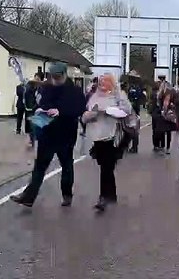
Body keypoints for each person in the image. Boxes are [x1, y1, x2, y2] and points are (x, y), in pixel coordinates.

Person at [10, 62, 86, 207]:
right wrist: (40, 111)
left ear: (64, 75)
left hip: (66, 134)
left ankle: (67, 195)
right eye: (53, 77)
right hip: (48, 133)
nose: (55, 80)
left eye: (58, 77)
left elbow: (79, 109)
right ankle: (28, 197)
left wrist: (61, 112)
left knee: (67, 165)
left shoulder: (75, 91)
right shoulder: (47, 88)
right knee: (39, 166)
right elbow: (42, 103)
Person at [82, 74, 132, 211]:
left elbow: (127, 111)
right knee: (106, 167)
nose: (102, 84)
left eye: (106, 81)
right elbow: (86, 113)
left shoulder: (119, 95)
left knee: (106, 167)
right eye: (101, 81)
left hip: (113, 136)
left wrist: (108, 110)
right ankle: (111, 195)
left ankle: (103, 197)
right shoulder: (94, 96)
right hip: (97, 137)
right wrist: (88, 116)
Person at [23, 72, 44, 148]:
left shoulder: (42, 88)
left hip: (37, 109)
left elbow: (40, 98)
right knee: (29, 125)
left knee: (34, 125)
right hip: (29, 108)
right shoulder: (30, 86)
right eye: (35, 78)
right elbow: (26, 95)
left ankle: (33, 140)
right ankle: (31, 139)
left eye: (37, 78)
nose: (36, 80)